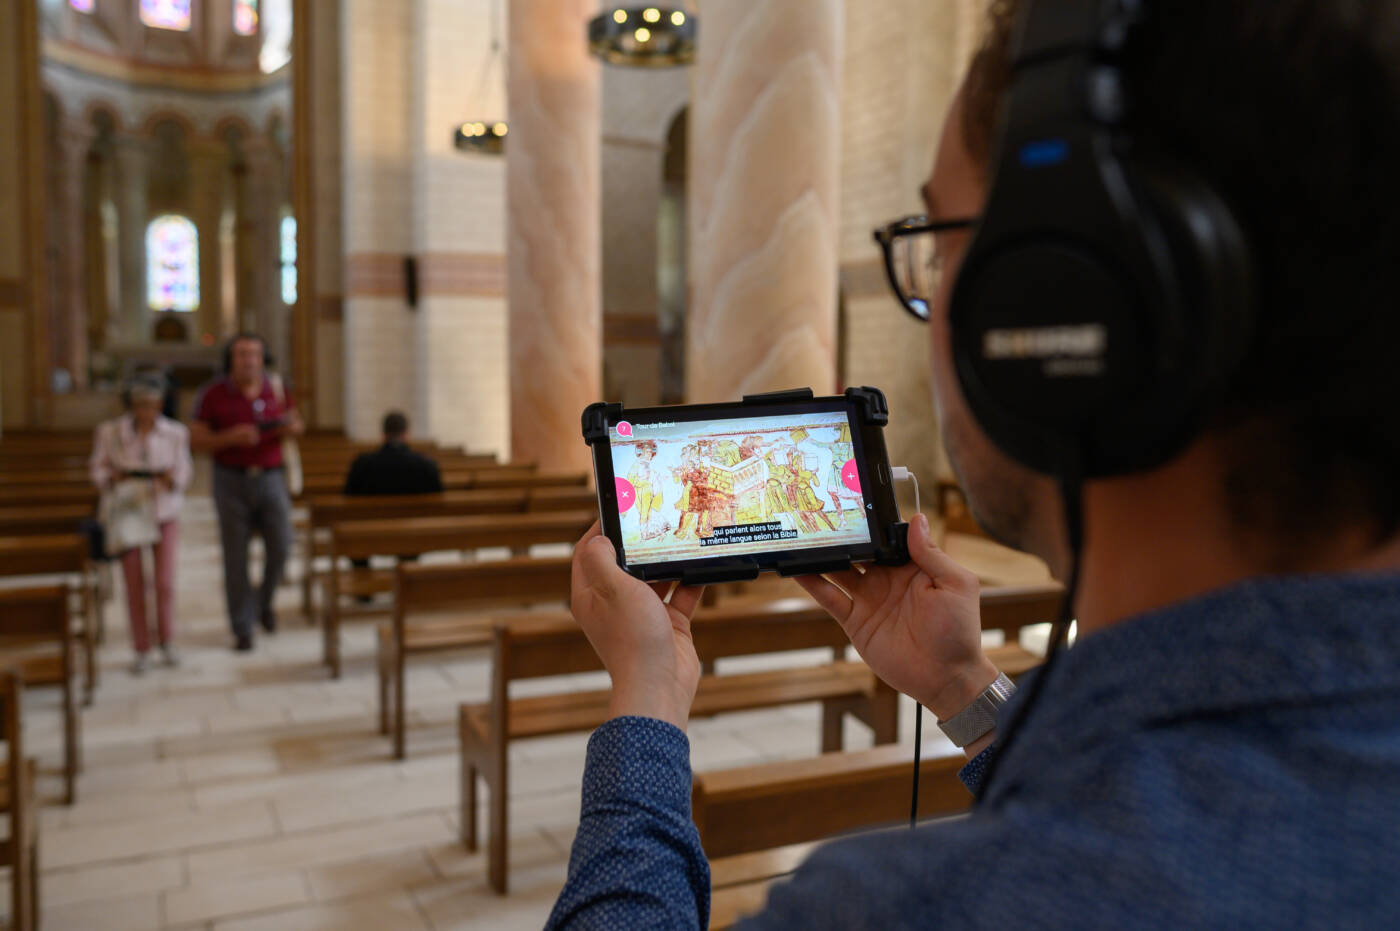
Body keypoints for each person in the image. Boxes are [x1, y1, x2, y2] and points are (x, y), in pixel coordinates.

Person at [547, 0, 1400, 927]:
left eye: (945, 247)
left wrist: (645, 700)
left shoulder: (902, 908)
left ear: (1061, 323)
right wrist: (966, 688)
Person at [191, 333, 304, 651]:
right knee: (236, 556)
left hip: (271, 476)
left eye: (254, 354)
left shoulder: (276, 388)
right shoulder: (213, 394)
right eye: (242, 354)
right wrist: (230, 438)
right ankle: (243, 626)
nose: (249, 360)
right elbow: (195, 439)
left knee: (282, 545)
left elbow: (296, 423)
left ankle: (262, 601)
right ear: (231, 359)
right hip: (231, 479)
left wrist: (289, 427)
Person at [89, 374, 193, 674]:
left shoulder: (175, 433)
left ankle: (167, 639)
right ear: (131, 405)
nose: (146, 411)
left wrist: (174, 480)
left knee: (164, 582)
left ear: (161, 404)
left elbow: (184, 467)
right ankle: (141, 646)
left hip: (163, 509)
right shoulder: (111, 432)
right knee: (134, 582)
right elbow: (97, 467)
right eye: (140, 405)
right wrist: (111, 478)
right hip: (128, 510)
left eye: (151, 404)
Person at [343, 411, 444, 496]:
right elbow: (439, 497)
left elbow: (347, 495)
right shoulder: (427, 465)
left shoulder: (361, 464)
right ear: (406, 434)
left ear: (383, 435)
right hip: (417, 519)